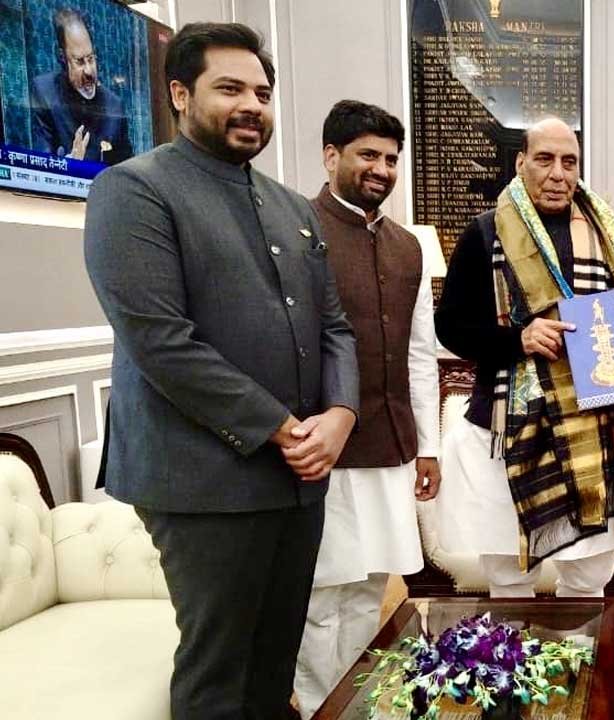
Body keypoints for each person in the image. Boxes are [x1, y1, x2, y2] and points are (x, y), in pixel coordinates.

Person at [83, 22, 358, 720]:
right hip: (201, 478)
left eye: (262, 94)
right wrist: (284, 428)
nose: (251, 106)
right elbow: (161, 342)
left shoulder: (292, 207)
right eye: (230, 89)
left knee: (274, 663)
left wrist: (340, 415)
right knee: (219, 676)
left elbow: (333, 326)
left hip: (298, 478)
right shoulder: (133, 191)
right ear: (180, 93)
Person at [434, 116, 614, 598]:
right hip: (507, 431)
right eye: (544, 159)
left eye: (569, 162)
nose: (558, 173)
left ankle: (578, 650)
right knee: (509, 574)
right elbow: (450, 328)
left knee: (589, 576)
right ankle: (514, 650)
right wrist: (517, 339)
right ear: (521, 163)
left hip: (594, 431)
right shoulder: (485, 233)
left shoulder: (606, 236)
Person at [292, 100, 439, 718]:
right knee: (322, 594)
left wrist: (428, 446)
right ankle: (317, 706)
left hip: (390, 445)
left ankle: (354, 705)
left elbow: (421, 353)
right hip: (320, 448)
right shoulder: (296, 229)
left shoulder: (409, 247)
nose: (381, 169)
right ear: (331, 157)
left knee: (371, 585)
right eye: (367, 155)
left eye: (391, 159)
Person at [30, 8, 133, 164]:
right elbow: (41, 164)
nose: (89, 71)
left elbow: (127, 168)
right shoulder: (44, 92)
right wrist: (70, 164)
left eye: (91, 59)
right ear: (62, 58)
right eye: (79, 62)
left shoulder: (115, 106)